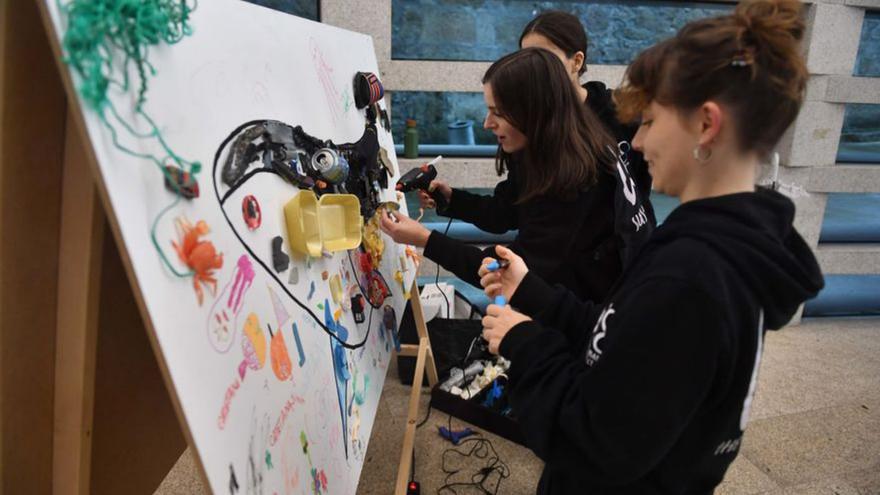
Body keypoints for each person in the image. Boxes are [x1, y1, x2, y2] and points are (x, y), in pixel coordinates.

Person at [477, 0, 824, 492]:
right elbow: (620, 339)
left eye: (650, 121)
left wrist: (524, 341)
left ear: (706, 125)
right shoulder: (720, 245)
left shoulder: (691, 275)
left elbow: (596, 442)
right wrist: (532, 292)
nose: (636, 143)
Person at [382, 47, 622, 303]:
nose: (487, 123)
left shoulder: (573, 179)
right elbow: (506, 211)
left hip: (585, 321)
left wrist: (425, 240)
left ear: (535, 111)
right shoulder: (543, 152)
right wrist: (452, 200)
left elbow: (505, 273)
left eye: (497, 112)